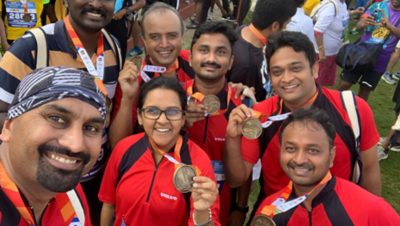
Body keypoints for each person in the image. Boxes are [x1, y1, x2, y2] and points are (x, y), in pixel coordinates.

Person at [224, 31, 381, 217]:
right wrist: (232, 138)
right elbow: (237, 179)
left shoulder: (352, 109)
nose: (287, 78)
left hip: (337, 216)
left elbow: (370, 170)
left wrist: (371, 217)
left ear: (314, 69)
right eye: (277, 72)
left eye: (296, 68)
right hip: (275, 216)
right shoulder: (261, 115)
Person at [0, 0, 121, 224]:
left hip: (86, 179)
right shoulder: (30, 48)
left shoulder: (114, 48)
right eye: (56, 118)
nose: (96, 3)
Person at [99, 76, 220, 226]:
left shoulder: (198, 162)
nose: (162, 120)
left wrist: (202, 213)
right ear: (140, 116)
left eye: (173, 112)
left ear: (183, 118)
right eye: (152, 111)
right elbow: (109, 204)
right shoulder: (124, 149)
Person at [252, 108, 400, 226]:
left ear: (331, 156)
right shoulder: (269, 211)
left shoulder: (370, 209)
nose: (299, 159)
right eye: (291, 148)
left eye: (313, 150)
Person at [0, 66, 107, 225]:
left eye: (91, 128)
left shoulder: (72, 195)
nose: (75, 145)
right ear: (8, 127)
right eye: (56, 119)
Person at [184, 21, 255, 226]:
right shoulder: (173, 98)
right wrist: (179, 125)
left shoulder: (244, 108)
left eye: (221, 52)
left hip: (217, 207)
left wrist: (240, 207)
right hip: (171, 201)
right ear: (190, 57)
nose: (211, 59)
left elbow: (243, 173)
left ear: (231, 61)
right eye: (204, 50)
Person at [110, 2, 195, 147]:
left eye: (172, 36)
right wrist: (127, 99)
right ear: (144, 40)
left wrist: (238, 89)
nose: (164, 44)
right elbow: (117, 144)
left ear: (182, 36)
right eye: (155, 37)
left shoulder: (196, 63)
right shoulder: (132, 78)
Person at [228, 0, 296, 101]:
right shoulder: (247, 64)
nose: (286, 28)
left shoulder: (243, 30)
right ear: (275, 26)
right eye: (286, 23)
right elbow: (244, 103)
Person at [338, 0, 400, 101]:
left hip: (381, 58)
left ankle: (358, 114)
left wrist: (389, 26)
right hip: (361, 52)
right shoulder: (379, 6)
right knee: (345, 83)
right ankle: (331, 107)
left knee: (365, 89)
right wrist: (362, 24)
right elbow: (358, 26)